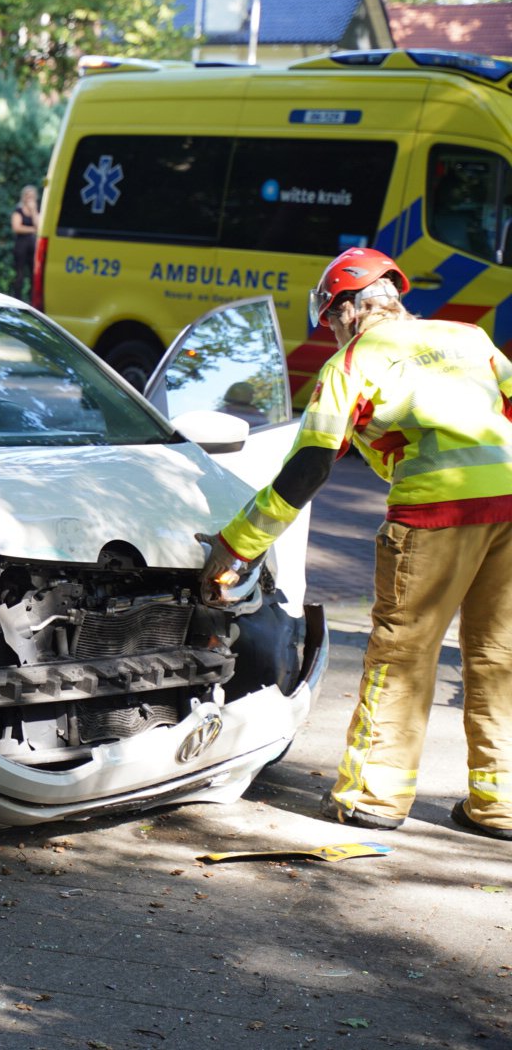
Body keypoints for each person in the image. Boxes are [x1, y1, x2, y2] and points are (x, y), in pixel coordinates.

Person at [197, 246, 512, 842]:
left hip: (434, 514)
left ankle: (373, 797)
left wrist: (238, 544)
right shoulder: (471, 338)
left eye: (333, 321)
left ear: (348, 308)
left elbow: (308, 468)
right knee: (499, 658)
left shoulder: (353, 363)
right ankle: (498, 806)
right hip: (510, 507)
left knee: (404, 655)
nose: (334, 333)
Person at [11, 184, 39, 300]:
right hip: (21, 246)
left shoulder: (37, 211)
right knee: (19, 275)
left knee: (34, 275)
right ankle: (17, 298)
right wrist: (32, 229)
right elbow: (17, 227)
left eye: (32, 196)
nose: (30, 199)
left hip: (33, 246)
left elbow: (39, 226)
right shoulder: (18, 211)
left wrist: (33, 211)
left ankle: (32, 301)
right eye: (28, 196)